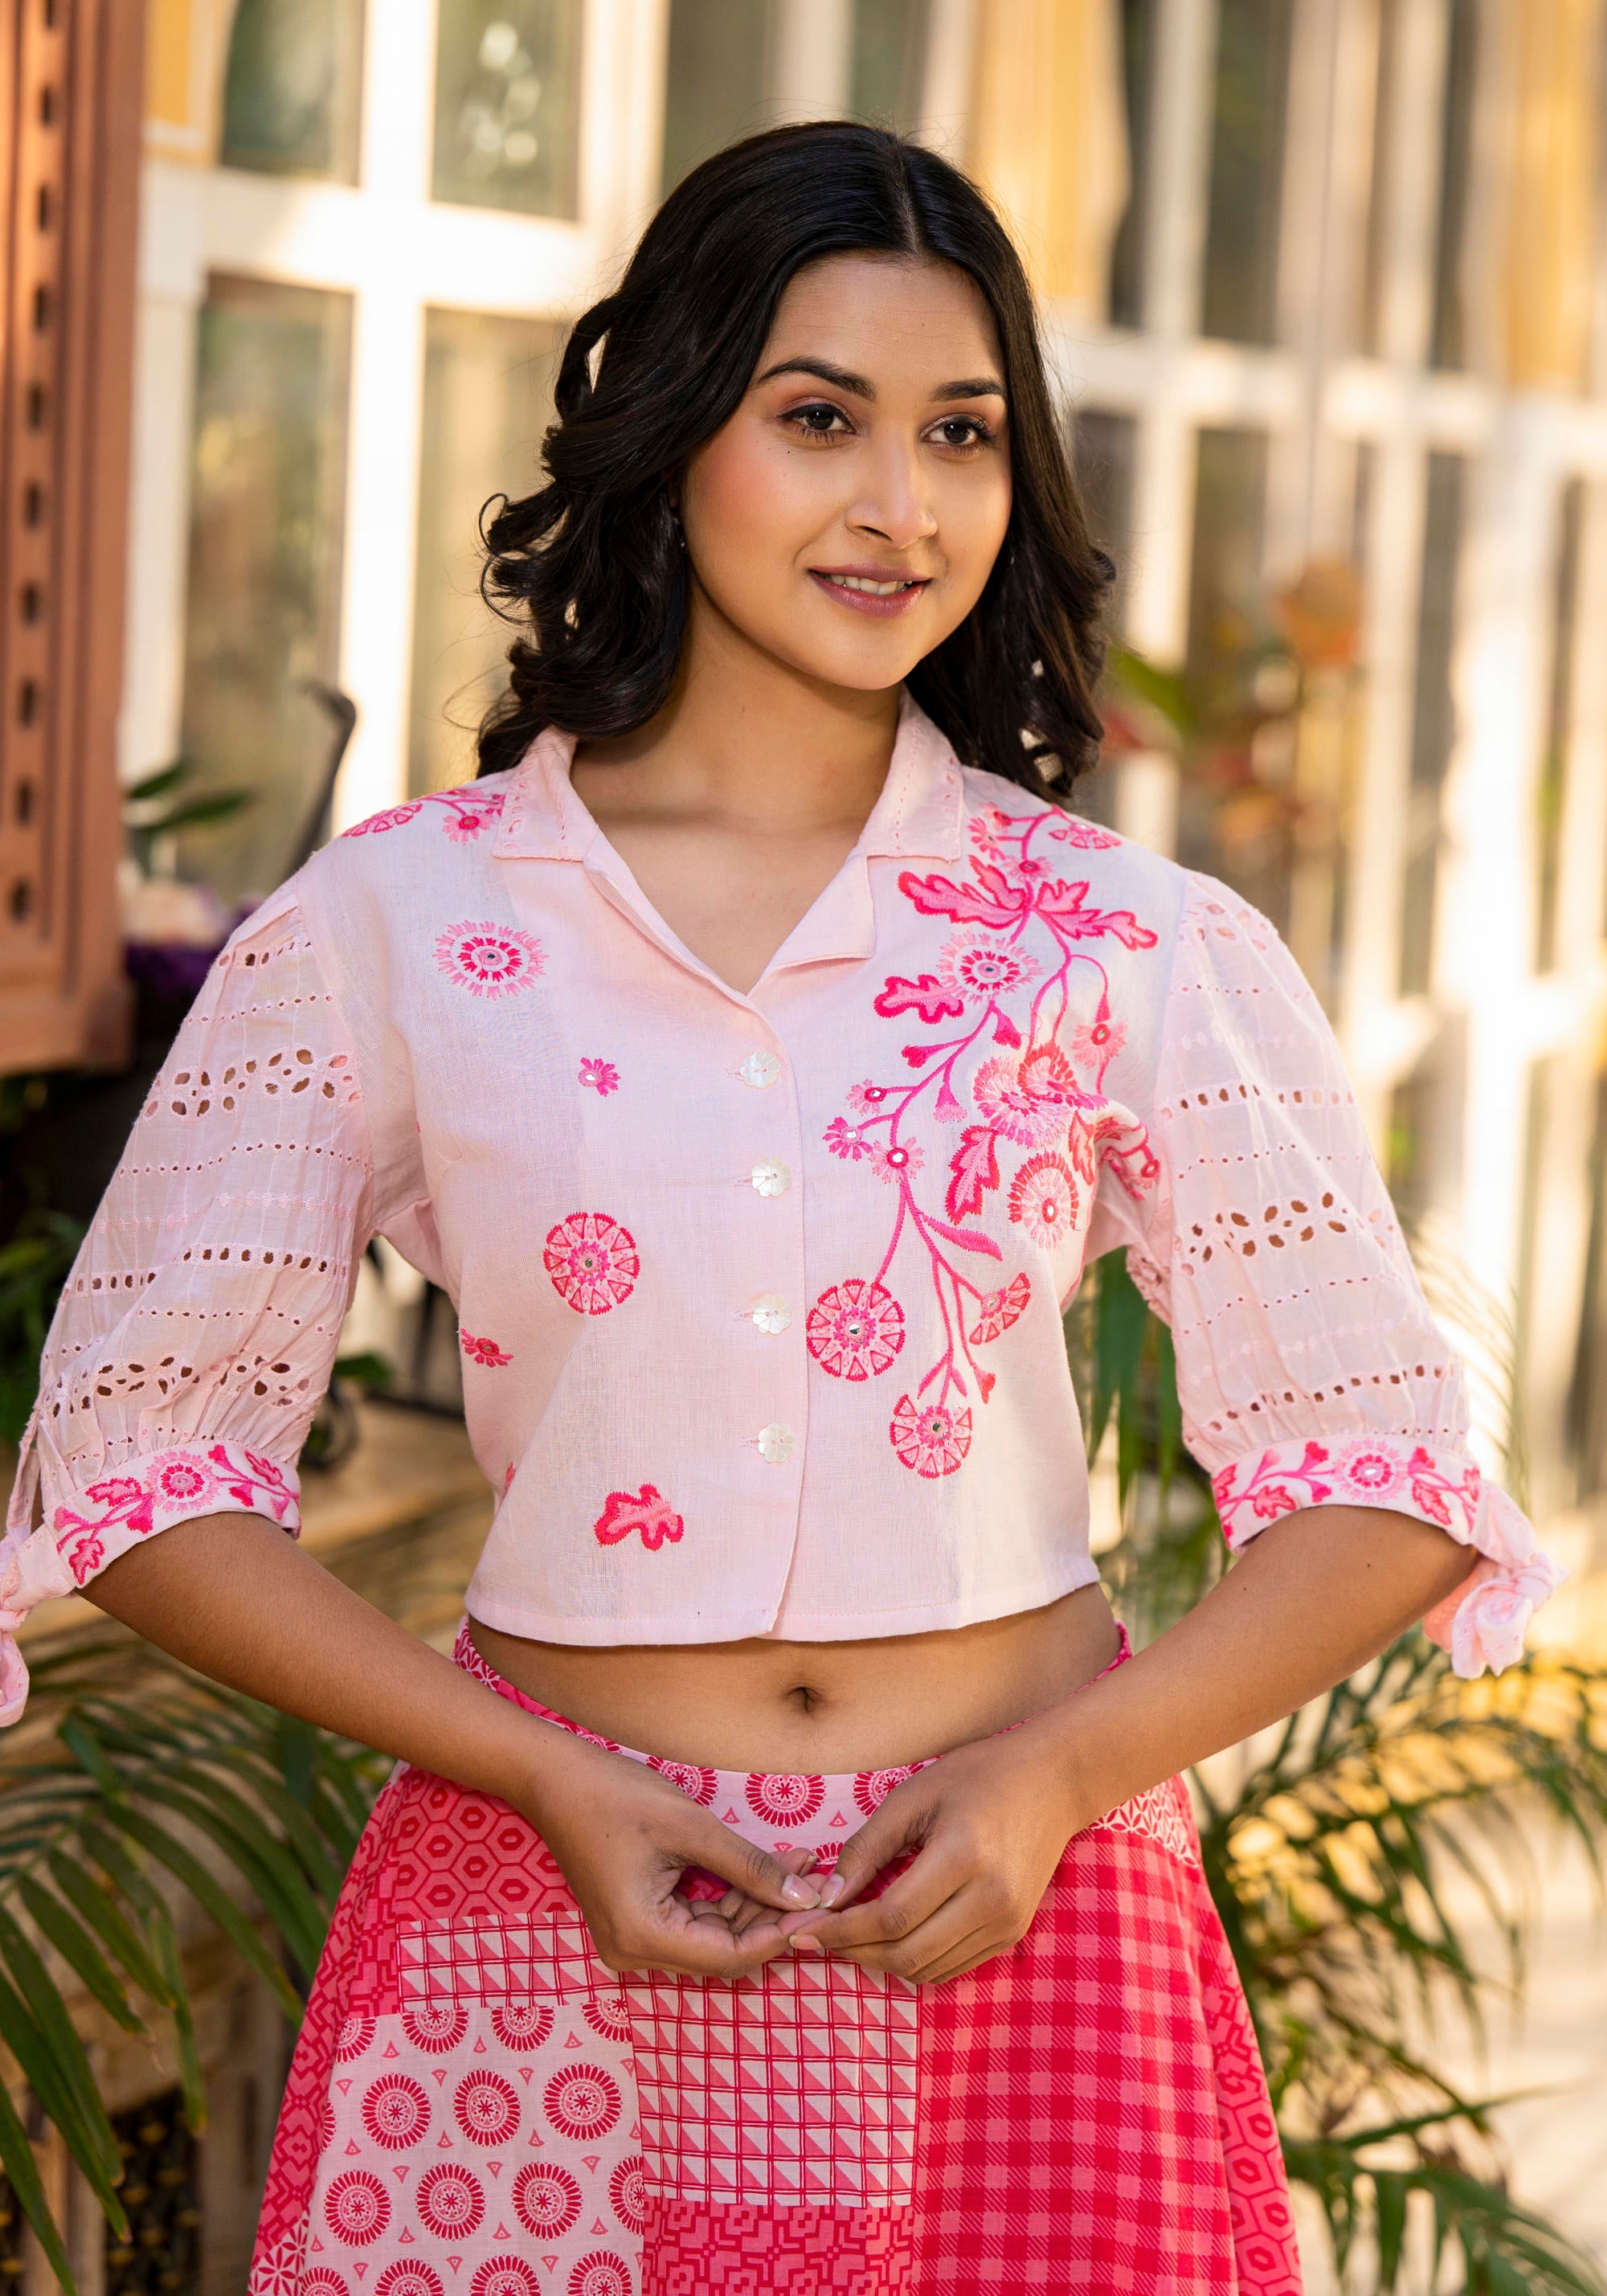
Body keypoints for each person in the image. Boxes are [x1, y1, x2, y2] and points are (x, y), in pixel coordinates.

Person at [4, 124, 1560, 2296]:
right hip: (540, 1922)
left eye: (963, 433)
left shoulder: (1117, 939)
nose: (900, 505)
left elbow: (1389, 1479)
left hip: (1023, 1926)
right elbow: (143, 1460)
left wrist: (1057, 1780)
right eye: (818, 417)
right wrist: (538, 1776)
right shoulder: (396, 924)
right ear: (668, 431)